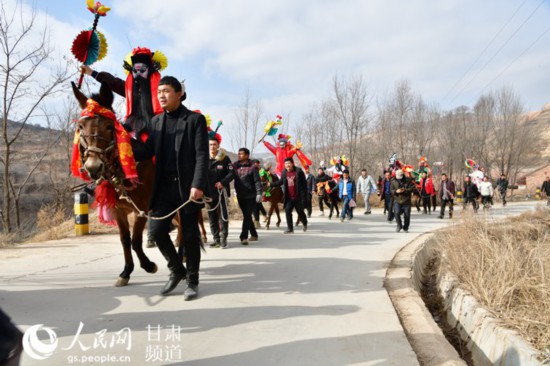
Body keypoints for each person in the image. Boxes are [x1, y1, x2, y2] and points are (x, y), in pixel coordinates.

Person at [81, 47, 169, 248]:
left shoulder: (159, 87)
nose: (138, 74)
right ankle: (103, 182)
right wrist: (91, 72)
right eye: (135, 70)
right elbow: (111, 82)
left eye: (142, 70)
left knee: (160, 157)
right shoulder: (128, 86)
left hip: (155, 128)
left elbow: (172, 95)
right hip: (130, 128)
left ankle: (166, 195)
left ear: (150, 69)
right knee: (110, 147)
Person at [131, 76, 208, 300]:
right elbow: (147, 151)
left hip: (187, 188)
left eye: (165, 91)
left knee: (191, 235)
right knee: (155, 231)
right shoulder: (156, 122)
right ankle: (176, 270)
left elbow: (202, 155)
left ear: (178, 93)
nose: (161, 96)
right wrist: (124, 143)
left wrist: (198, 184)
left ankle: (192, 281)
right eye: (159, 92)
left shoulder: (194, 120)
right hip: (163, 188)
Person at [207, 134, 233, 249]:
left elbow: (232, 173)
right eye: (210, 145)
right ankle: (216, 239)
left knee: (223, 215)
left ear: (218, 146)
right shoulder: (204, 158)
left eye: (214, 145)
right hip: (208, 192)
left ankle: (223, 238)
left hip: (222, 191)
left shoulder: (225, 158)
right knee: (211, 216)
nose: (212, 147)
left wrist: (222, 182)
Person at [232, 148, 263, 245]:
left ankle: (243, 237)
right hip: (240, 195)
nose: (239, 155)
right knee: (247, 215)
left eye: (241, 154)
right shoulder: (235, 166)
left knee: (246, 215)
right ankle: (254, 234)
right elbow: (229, 175)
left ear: (247, 155)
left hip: (251, 195)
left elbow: (257, 181)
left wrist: (259, 193)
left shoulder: (253, 167)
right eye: (239, 153)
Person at [270, 158, 308, 233]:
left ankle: (304, 223)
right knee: (287, 211)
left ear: (292, 163)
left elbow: (304, 184)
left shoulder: (299, 171)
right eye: (286, 164)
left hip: (298, 196)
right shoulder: (284, 172)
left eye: (289, 163)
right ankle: (290, 229)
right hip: (289, 197)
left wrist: (304, 197)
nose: (287, 165)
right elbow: (280, 182)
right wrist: (271, 184)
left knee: (300, 211)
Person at [251, 159, 267, 228]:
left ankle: (257, 222)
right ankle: (264, 215)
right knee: (258, 204)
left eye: (258, 164)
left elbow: (264, 179)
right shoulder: (250, 170)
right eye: (256, 164)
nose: (258, 165)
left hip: (258, 190)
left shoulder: (261, 170)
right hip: (251, 190)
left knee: (256, 206)